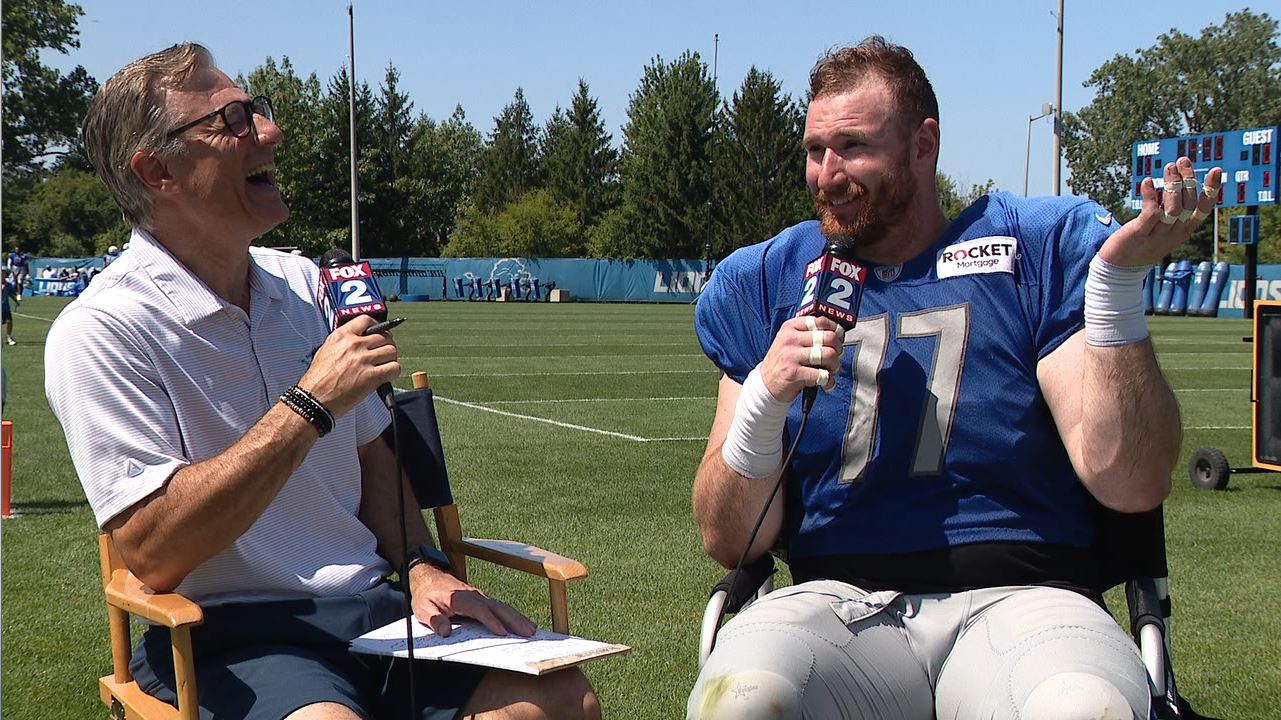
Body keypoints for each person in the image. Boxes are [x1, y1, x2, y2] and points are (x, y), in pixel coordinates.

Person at [46, 43, 599, 720]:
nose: (270, 132)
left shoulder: (307, 286)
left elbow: (372, 456)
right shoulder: (102, 329)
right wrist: (309, 405)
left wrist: (422, 561)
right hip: (229, 634)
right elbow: (154, 553)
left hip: (377, 615)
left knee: (557, 701)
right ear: (157, 169)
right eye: (233, 122)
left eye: (258, 112)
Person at [688, 36, 1222, 720]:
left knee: (1081, 708)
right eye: (815, 150)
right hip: (838, 605)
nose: (827, 173)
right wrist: (764, 394)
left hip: (1026, 598)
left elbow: (1130, 479)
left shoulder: (1033, 246)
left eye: (852, 147)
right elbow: (728, 541)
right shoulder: (765, 279)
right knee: (739, 701)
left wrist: (1114, 289)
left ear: (922, 144)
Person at [2, 269, 19, 345]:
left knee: (9, 322)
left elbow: (11, 294)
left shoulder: (8, 285)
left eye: (4, 273)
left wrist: (16, 301)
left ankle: (9, 337)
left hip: (5, 307)